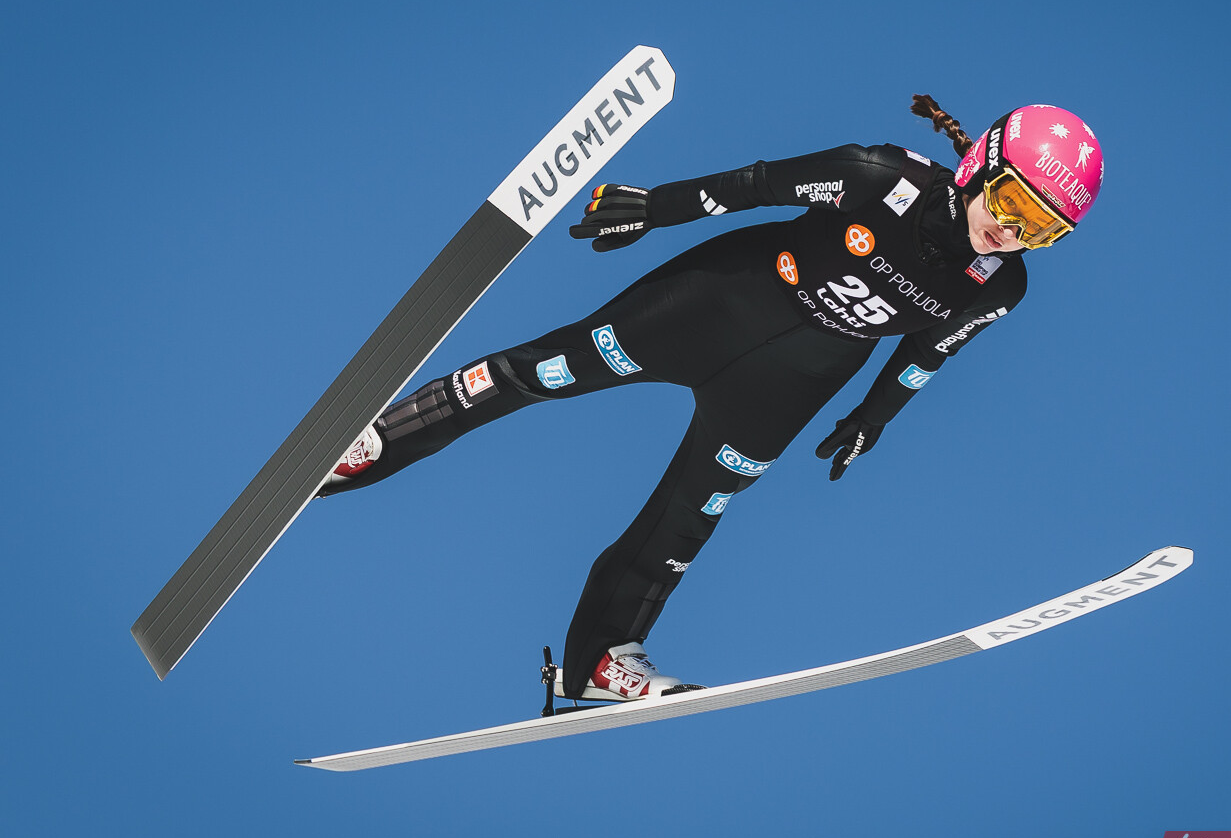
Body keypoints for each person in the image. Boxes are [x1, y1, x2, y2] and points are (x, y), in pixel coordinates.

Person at [318, 96, 1104, 702]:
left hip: (793, 380)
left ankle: (601, 661)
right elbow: (756, 186)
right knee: (544, 371)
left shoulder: (1001, 285)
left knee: (695, 511)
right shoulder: (880, 177)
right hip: (716, 303)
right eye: (1013, 205)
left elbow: (928, 352)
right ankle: (376, 443)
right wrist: (652, 208)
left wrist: (873, 418)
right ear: (980, 167)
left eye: (1042, 230)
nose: (1012, 233)